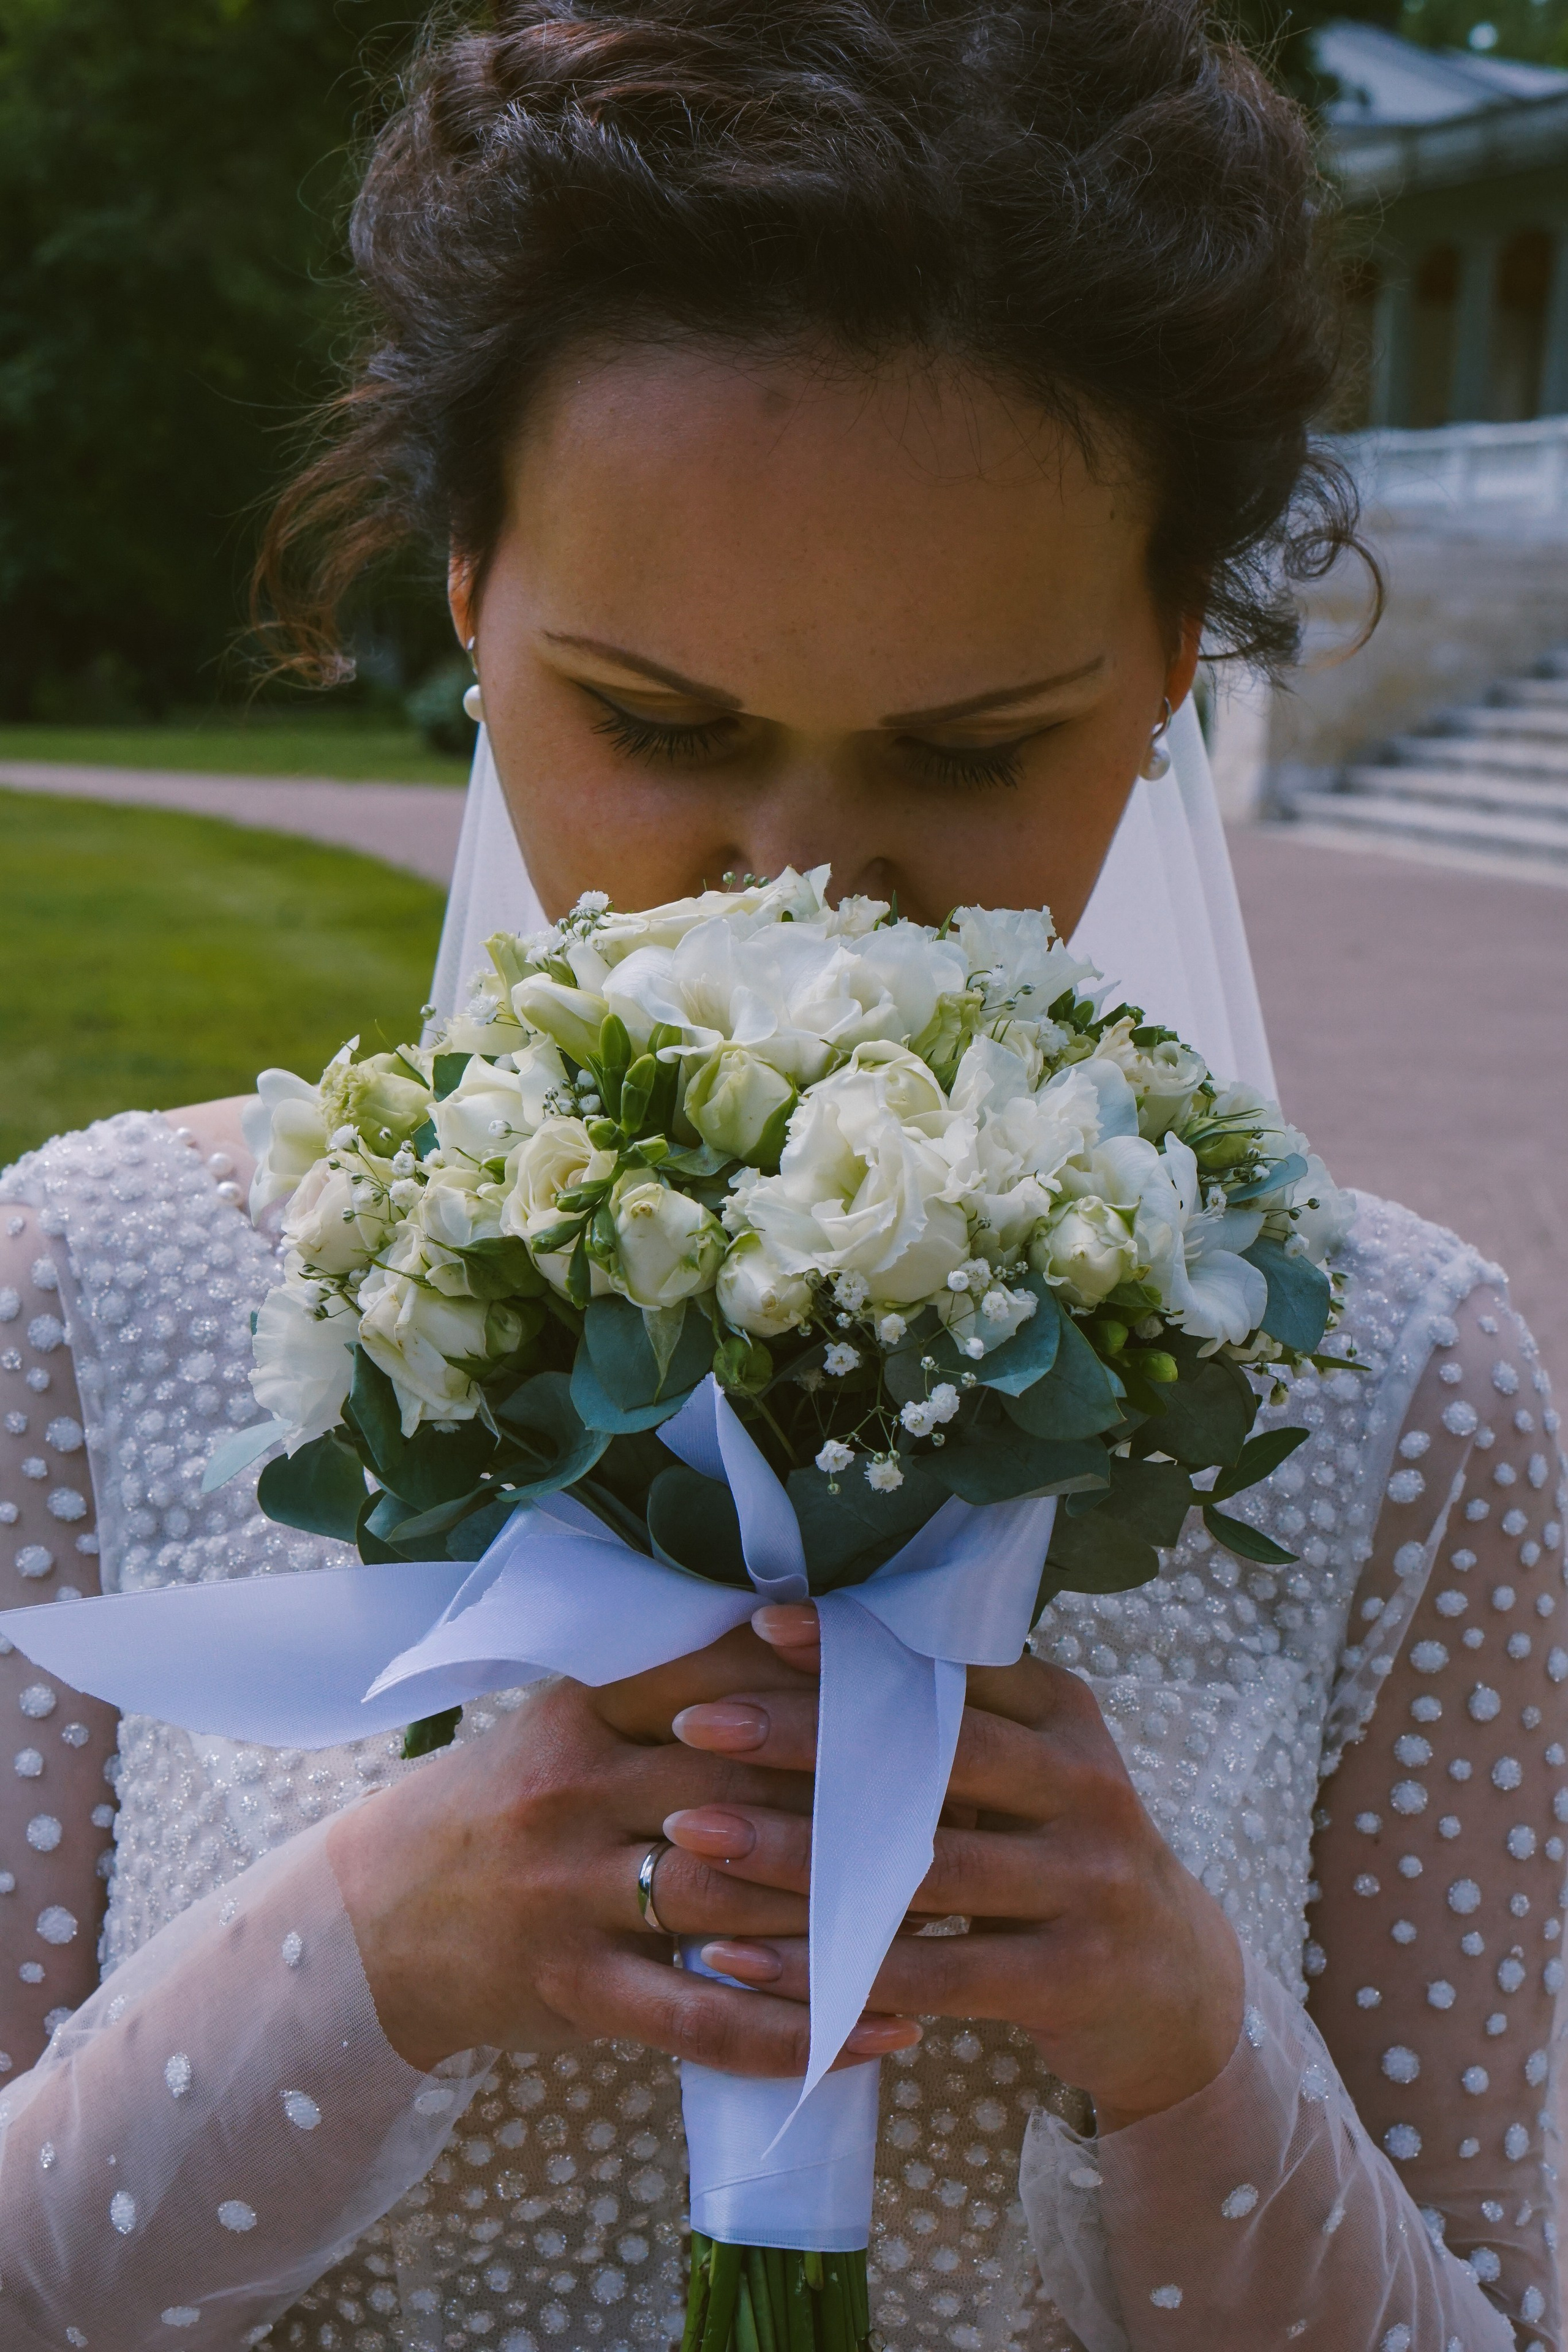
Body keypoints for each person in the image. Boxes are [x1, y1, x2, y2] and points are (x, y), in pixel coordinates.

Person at [0, 4, 1562, 2347]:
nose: (796, 889)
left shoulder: (1402, 1391)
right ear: (464, 587)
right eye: (657, 724)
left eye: (970, 753)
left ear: (1167, 663)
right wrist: (378, 1945)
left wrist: (1181, 2045)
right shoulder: (90, 1284)